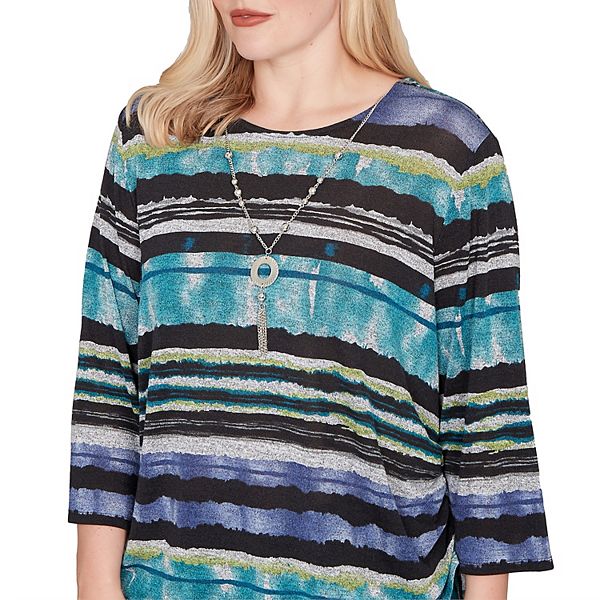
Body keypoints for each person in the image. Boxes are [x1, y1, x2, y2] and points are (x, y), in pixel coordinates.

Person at [67, 1, 554, 598]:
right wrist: (95, 583)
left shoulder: (445, 155)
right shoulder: (155, 139)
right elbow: (107, 382)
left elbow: (485, 415)